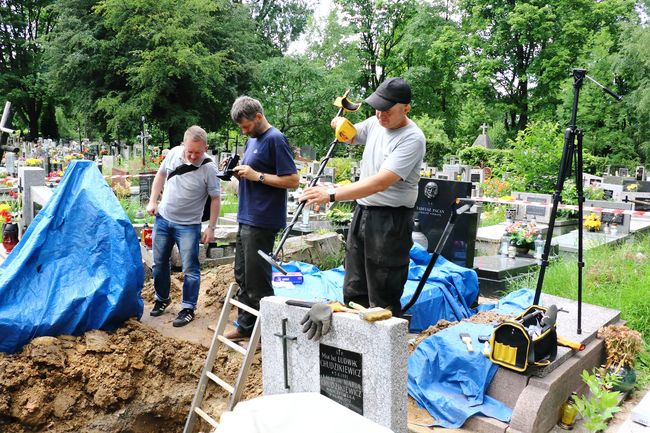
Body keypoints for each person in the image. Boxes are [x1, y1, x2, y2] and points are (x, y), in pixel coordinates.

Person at [300, 77, 425, 316]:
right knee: (354, 285)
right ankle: (352, 348)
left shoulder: (412, 138)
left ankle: (381, 348)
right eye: (377, 108)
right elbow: (352, 135)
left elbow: (380, 183)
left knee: (383, 292)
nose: (380, 115)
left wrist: (332, 194)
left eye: (387, 110)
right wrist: (339, 124)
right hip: (363, 213)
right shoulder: (376, 123)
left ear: (406, 108)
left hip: (391, 221)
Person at [224, 96, 299, 342]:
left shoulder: (275, 139)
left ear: (258, 116)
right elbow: (254, 173)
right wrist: (237, 172)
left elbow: (292, 180)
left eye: (246, 126)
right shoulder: (252, 140)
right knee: (243, 275)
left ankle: (268, 337)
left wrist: (258, 176)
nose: (244, 131)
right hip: (247, 216)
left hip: (263, 219)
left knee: (258, 281)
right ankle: (246, 327)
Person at [146, 125, 221, 327]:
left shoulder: (209, 168)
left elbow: (215, 198)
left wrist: (211, 228)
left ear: (205, 147)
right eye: (189, 151)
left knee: (190, 268)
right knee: (159, 263)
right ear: (183, 145)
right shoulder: (173, 154)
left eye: (198, 152)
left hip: (189, 226)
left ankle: (188, 307)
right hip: (163, 219)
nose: (193, 156)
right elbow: (160, 175)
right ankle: (162, 298)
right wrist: (153, 200)